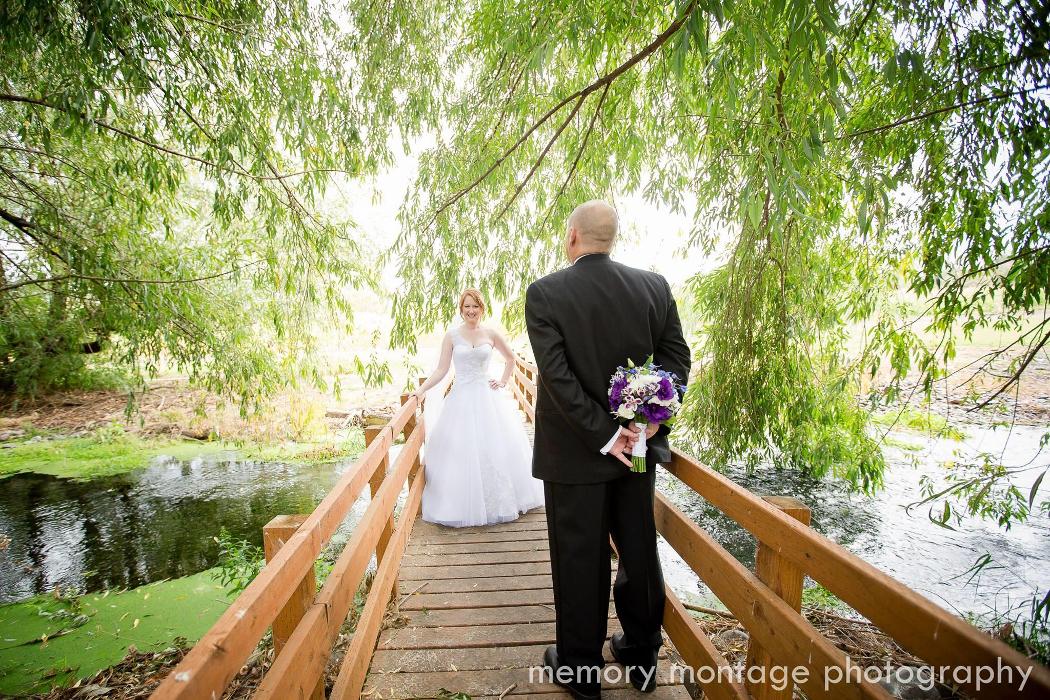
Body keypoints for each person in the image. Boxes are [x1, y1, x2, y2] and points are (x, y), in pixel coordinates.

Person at [525, 200, 691, 698]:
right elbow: (676, 358)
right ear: (611, 238)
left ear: (572, 236)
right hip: (638, 449)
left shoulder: (545, 294)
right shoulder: (653, 287)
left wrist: (604, 433)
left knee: (580, 558)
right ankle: (641, 656)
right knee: (639, 550)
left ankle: (580, 669)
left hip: (575, 456)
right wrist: (647, 421)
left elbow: (557, 378)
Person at [410, 288, 544, 527]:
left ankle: (499, 501)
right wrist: (421, 391)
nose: (471, 311)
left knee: (494, 446)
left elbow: (511, 359)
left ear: (482, 309)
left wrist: (502, 381)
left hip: (487, 397)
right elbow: (441, 370)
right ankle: (463, 503)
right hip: (460, 399)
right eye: (466, 307)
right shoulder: (452, 336)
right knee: (462, 450)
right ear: (461, 309)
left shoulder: (491, 334)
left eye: (475, 306)